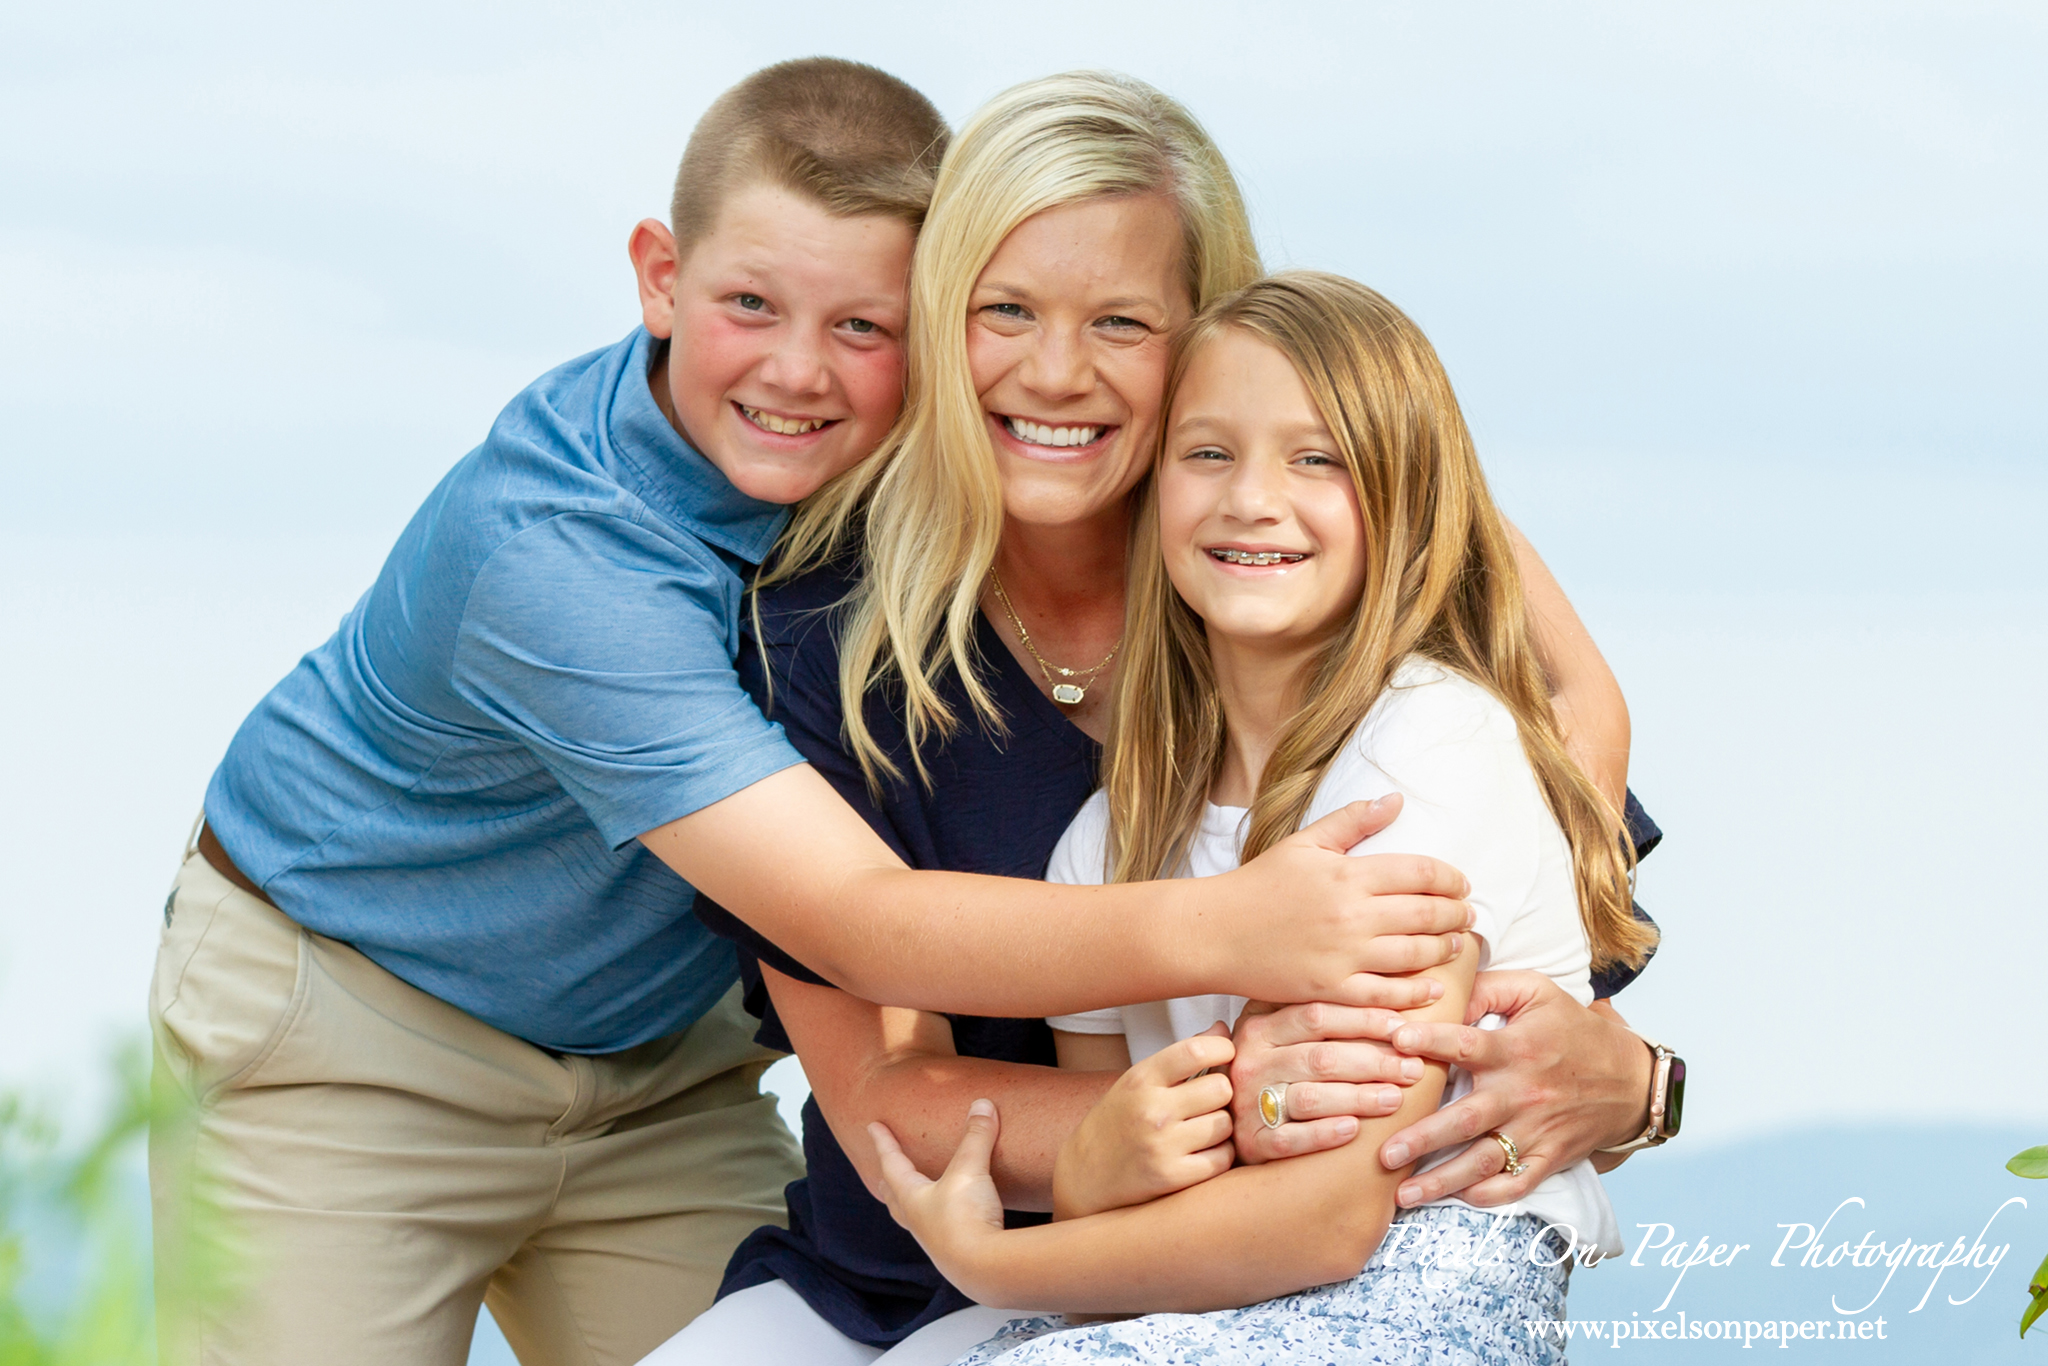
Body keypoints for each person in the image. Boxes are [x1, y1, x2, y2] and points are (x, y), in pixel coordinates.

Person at [149, 58, 1471, 1366]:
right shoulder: (561, 557)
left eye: (864, 325)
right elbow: (861, 925)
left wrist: (1613, 1057)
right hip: (361, 1032)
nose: (802, 370)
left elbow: (1457, 571)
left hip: (659, 1072)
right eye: (749, 304)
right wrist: (1232, 940)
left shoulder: (1120, 469)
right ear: (660, 277)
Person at [656, 73, 1667, 1366]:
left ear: (1207, 337)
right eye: (1003, 310)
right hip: (942, 1252)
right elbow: (884, 1087)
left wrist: (1639, 1078)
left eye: (1122, 321)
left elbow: (1563, 752)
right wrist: (1162, 1114)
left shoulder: (1292, 569)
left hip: (1256, 1258)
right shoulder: (831, 633)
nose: (1056, 369)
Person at [870, 270, 1659, 1364]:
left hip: (1421, 1285)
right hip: (1203, 1304)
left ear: (1400, 497)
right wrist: (1124, 1157)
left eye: (1316, 457)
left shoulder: (1424, 748)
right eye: (1207, 452)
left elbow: (1336, 1209)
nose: (1250, 497)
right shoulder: (1102, 843)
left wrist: (995, 1262)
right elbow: (1121, 1233)